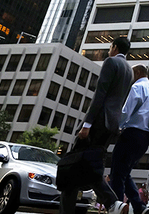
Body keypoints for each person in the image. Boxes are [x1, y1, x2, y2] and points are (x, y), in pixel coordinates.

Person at [59, 37, 133, 214]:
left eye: (110, 47)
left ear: (114, 47)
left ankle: (112, 202)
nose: (109, 51)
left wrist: (87, 123)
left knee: (74, 162)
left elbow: (100, 94)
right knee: (86, 165)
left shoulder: (111, 62)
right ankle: (112, 203)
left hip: (99, 121)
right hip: (112, 125)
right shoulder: (129, 70)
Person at [109, 63, 149, 214]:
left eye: (132, 74)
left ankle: (117, 207)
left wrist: (116, 126)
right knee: (125, 172)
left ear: (137, 73)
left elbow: (126, 111)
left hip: (132, 133)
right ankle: (140, 207)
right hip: (145, 138)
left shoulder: (137, 87)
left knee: (117, 174)